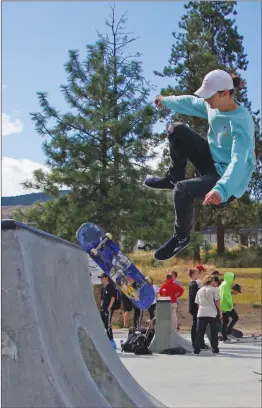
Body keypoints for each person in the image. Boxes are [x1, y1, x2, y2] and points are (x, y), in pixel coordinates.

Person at [144, 70, 255, 261]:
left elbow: (238, 161)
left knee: (183, 190)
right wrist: (166, 100)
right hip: (212, 161)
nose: (207, 102)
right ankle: (173, 176)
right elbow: (191, 102)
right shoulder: (213, 105)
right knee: (176, 130)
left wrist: (221, 189)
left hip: (228, 181)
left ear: (225, 93)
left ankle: (181, 237)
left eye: (209, 97)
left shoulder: (241, 123)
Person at [194, 275, 222, 355]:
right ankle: (215, 348)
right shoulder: (214, 289)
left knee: (199, 332)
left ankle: (197, 349)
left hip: (201, 313)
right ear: (211, 281)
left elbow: (198, 303)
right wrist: (220, 312)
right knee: (213, 331)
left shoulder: (199, 290)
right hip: (212, 313)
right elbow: (217, 301)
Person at [188, 268, 208, 349]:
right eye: (196, 273)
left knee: (197, 325)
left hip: (195, 308)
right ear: (192, 274)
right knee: (197, 325)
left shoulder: (195, 284)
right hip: (196, 308)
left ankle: (198, 342)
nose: (198, 275)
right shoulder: (193, 285)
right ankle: (197, 343)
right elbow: (195, 297)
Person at [219, 272, 239, 343]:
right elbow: (226, 296)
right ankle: (224, 338)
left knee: (230, 319)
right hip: (226, 306)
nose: (233, 280)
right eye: (233, 278)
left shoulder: (223, 284)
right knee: (225, 322)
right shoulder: (226, 285)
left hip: (225, 305)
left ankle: (226, 334)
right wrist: (230, 304)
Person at [99, 273, 117, 350]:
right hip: (103, 309)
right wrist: (101, 307)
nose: (101, 279)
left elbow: (113, 298)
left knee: (108, 325)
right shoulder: (102, 288)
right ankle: (107, 341)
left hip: (108, 309)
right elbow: (102, 299)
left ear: (106, 278)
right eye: (100, 278)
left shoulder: (110, 286)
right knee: (105, 325)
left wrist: (109, 308)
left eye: (102, 278)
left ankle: (112, 341)